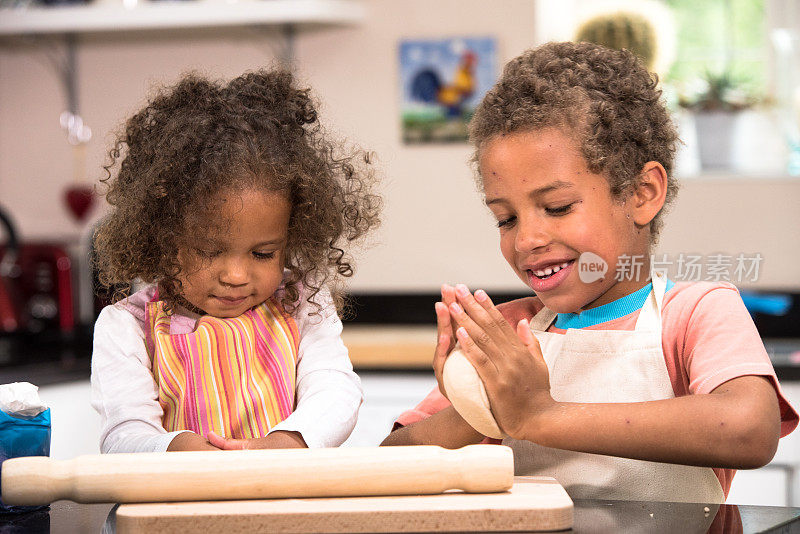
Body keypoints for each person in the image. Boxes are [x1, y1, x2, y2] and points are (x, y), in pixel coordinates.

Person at [382, 41, 798, 503]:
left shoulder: (696, 313)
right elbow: (388, 461)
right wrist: (481, 410)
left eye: (556, 207)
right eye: (506, 218)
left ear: (642, 194)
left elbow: (749, 429)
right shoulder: (510, 334)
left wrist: (542, 416)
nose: (526, 240)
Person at [90, 69, 381, 453]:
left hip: (287, 504)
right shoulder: (127, 327)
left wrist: (286, 441)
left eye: (263, 254)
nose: (237, 275)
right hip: (175, 510)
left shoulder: (301, 302)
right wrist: (181, 451)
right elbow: (123, 435)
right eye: (210, 251)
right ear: (163, 236)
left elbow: (336, 390)